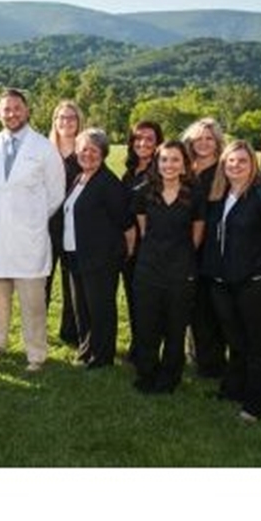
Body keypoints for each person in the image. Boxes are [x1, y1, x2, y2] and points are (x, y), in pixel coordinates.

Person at [201, 140, 261, 422]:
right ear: (223, 165)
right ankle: (234, 388)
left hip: (259, 281)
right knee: (237, 341)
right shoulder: (221, 196)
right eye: (230, 161)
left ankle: (260, 403)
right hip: (226, 280)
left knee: (260, 345)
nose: (235, 166)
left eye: (242, 161)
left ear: (252, 165)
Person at [0, 88, 65, 372]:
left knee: (33, 304)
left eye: (17, 108)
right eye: (6, 109)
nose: (12, 114)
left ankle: (35, 354)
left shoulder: (43, 148)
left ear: (27, 111)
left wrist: (32, 219)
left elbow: (56, 193)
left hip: (29, 239)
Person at [131, 140, 205, 394]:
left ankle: (170, 376)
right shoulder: (143, 192)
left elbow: (197, 235)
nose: (169, 165)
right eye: (164, 159)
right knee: (147, 325)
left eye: (175, 159)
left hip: (181, 269)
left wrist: (180, 259)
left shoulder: (195, 194)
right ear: (157, 163)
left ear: (184, 164)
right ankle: (146, 373)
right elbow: (144, 231)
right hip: (149, 268)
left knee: (175, 326)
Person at [61, 127, 128, 369]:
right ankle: (86, 350)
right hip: (75, 255)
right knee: (82, 308)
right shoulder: (79, 178)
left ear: (103, 153)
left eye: (94, 150)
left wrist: (124, 253)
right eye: (83, 149)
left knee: (100, 309)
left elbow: (124, 221)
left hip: (101, 258)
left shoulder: (108, 183)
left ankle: (102, 356)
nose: (87, 154)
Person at [181, 116, 227, 378]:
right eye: (199, 138)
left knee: (210, 307)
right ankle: (195, 355)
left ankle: (212, 362)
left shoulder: (224, 171)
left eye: (210, 138)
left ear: (218, 142)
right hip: (186, 247)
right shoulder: (186, 170)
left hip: (213, 248)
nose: (204, 143)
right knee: (191, 303)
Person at [121, 120, 164, 361]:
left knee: (149, 302)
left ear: (158, 143)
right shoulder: (130, 172)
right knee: (133, 298)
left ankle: (148, 350)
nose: (143, 143)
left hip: (150, 247)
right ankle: (138, 345)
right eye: (138, 138)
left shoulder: (160, 172)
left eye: (149, 139)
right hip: (129, 249)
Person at [45, 100, 83, 347]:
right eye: (61, 117)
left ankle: (70, 332)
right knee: (42, 282)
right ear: (55, 121)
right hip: (46, 227)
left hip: (75, 229)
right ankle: (37, 330)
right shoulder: (45, 153)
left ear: (79, 122)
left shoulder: (85, 152)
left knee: (72, 283)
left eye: (71, 117)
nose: (66, 122)